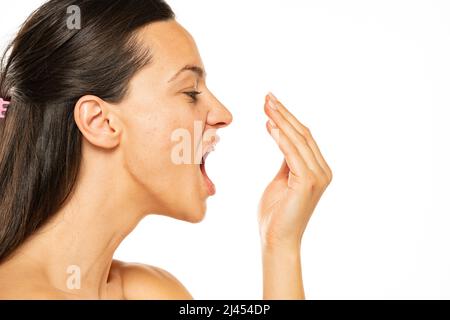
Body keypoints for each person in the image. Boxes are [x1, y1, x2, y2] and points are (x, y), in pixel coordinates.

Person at [0, 0, 332, 299]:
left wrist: (280, 246)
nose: (222, 115)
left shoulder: (152, 290)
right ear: (100, 121)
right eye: (190, 91)